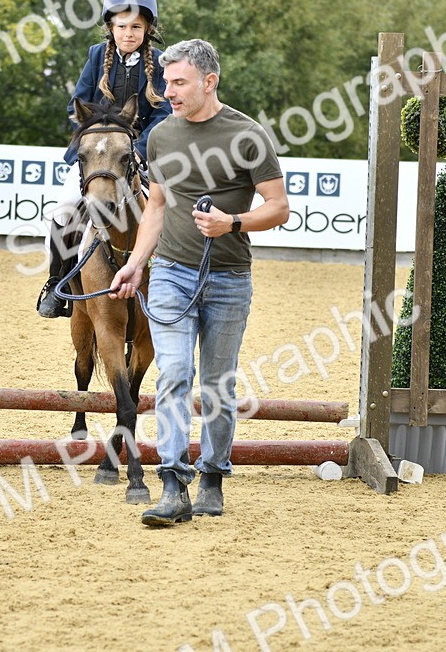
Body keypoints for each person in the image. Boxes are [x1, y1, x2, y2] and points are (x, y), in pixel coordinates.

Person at [108, 39, 289, 526]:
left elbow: (278, 207)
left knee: (216, 384)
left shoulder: (248, 135)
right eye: (166, 82)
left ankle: (212, 475)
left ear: (209, 82)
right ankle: (172, 483)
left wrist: (233, 223)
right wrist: (136, 263)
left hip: (229, 276)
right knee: (173, 375)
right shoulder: (162, 136)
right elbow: (157, 207)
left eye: (179, 82)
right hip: (170, 273)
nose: (168, 91)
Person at [36, 0, 170, 318]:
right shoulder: (97, 56)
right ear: (111, 27)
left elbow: (164, 114)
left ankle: (172, 281)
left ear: (148, 29)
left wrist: (138, 151)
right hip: (97, 155)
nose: (129, 33)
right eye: (122, 26)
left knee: (169, 208)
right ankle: (57, 284)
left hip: (141, 154)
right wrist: (96, 132)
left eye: (136, 27)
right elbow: (75, 104)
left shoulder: (161, 64)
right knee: (65, 209)